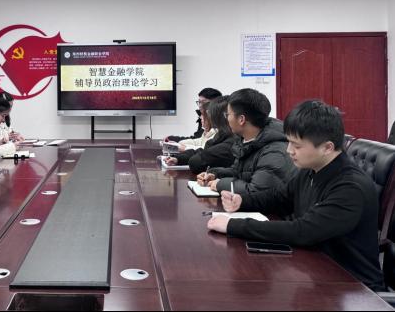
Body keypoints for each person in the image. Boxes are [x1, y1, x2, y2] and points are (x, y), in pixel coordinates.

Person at [207, 100, 385, 292]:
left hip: (354, 289)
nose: (289, 150)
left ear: (327, 147)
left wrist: (233, 225)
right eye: (289, 142)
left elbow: (303, 231)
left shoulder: (350, 187)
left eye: (297, 146)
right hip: (317, 271)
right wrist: (243, 201)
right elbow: (279, 198)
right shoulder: (312, 169)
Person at [196, 88, 294, 194]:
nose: (227, 119)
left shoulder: (274, 151)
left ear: (241, 120)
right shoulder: (246, 140)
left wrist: (221, 184)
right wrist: (215, 174)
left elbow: (257, 191)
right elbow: (239, 172)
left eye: (227, 115)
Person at [165, 96, 236, 174]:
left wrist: (184, 148)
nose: (201, 117)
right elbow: (203, 150)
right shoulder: (221, 134)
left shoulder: (232, 140)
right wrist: (178, 158)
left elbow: (197, 161)